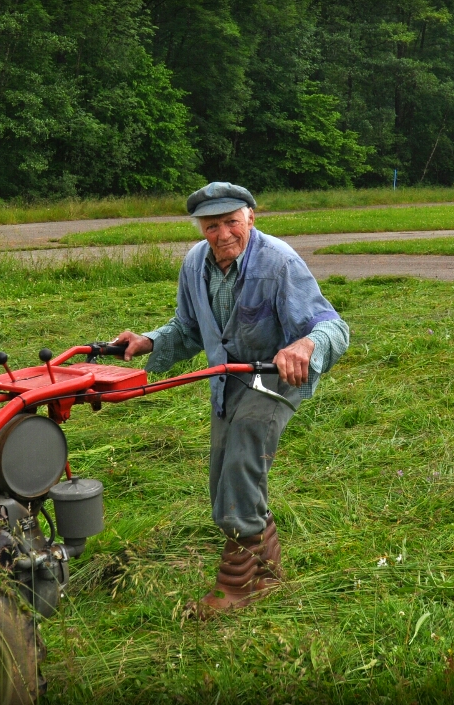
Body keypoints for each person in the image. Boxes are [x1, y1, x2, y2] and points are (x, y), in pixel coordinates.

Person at [112, 182, 349, 613]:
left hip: (273, 379)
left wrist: (305, 346)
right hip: (227, 381)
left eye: (231, 223)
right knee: (225, 475)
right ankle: (268, 573)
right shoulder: (194, 264)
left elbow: (332, 325)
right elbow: (188, 328)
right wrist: (148, 340)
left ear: (251, 219)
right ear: (201, 228)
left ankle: (236, 586)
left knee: (241, 461)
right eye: (212, 226)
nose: (223, 234)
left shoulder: (278, 263)